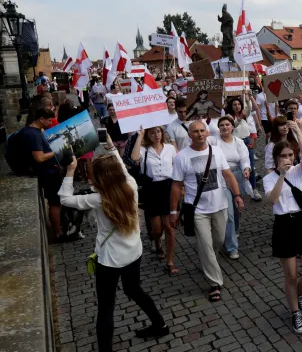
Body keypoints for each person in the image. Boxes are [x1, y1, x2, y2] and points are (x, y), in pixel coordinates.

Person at [59, 137, 168, 351]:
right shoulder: (131, 187)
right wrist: (112, 149)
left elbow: (64, 199)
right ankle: (160, 324)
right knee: (134, 289)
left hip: (110, 259)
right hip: (133, 252)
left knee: (106, 308)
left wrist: (70, 170)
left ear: (101, 179)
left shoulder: (98, 199)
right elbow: (124, 171)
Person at [169, 120, 243, 302]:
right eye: (195, 131)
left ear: (208, 133)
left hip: (220, 205)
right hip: (197, 209)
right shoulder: (182, 157)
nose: (199, 134)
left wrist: (237, 195)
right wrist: (173, 211)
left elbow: (228, 175)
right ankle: (214, 283)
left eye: (202, 130)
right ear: (189, 135)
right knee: (205, 243)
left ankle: (208, 259)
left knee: (218, 240)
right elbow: (176, 185)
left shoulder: (217, 152)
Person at [263, 124, 302, 334]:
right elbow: (273, 199)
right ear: (276, 158)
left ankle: (297, 295)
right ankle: (295, 312)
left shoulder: (298, 171)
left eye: (290, 155)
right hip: (284, 225)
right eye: (283, 155)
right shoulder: (269, 178)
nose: (287, 158)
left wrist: (298, 132)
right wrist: (281, 175)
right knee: (291, 276)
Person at [131, 126, 179, 275]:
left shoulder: (170, 148)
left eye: (158, 132)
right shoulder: (145, 150)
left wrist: (181, 187)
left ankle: (170, 261)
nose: (156, 135)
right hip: (152, 189)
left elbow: (178, 166)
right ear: (148, 135)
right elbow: (134, 159)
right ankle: (157, 242)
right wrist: (139, 137)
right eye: (152, 133)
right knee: (157, 229)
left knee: (169, 226)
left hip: (168, 188)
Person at [22, 108, 63, 238]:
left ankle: (58, 227)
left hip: (49, 172)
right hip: (48, 174)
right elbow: (39, 158)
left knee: (56, 202)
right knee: (55, 203)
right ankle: (58, 232)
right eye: (49, 120)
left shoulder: (35, 131)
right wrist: (56, 151)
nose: (51, 123)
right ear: (41, 119)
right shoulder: (33, 135)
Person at [216, 115, 251, 260]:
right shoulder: (214, 142)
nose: (224, 127)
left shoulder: (239, 142)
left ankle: (234, 229)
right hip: (222, 178)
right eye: (221, 125)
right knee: (228, 213)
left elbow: (244, 159)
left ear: (232, 127)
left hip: (237, 176)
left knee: (237, 209)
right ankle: (232, 247)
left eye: (227, 125)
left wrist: (247, 169)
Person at [225, 95, 261, 201]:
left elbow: (250, 108)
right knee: (237, 167)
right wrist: (240, 118)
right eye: (234, 105)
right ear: (231, 107)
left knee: (250, 166)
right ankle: (237, 190)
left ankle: (254, 189)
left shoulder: (244, 114)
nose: (237, 106)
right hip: (235, 143)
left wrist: (248, 98)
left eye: (239, 104)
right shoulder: (229, 116)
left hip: (247, 141)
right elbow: (232, 126)